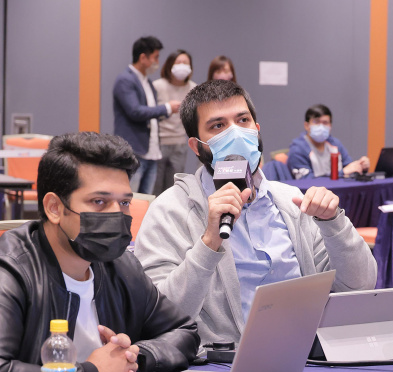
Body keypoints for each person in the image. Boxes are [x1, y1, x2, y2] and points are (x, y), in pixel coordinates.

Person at [134, 81, 377, 344]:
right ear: (197, 146)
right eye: (218, 126)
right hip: (224, 365)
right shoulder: (170, 211)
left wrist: (334, 224)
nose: (235, 133)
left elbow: (360, 286)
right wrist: (209, 243)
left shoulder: (292, 201)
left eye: (243, 120)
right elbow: (158, 320)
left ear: (257, 130)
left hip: (307, 354)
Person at [0, 132, 200, 372]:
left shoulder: (122, 267)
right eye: (99, 202)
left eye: (124, 202)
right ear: (54, 208)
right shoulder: (10, 270)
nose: (117, 215)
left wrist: (133, 358)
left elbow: (185, 332)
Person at [113, 36, 181, 194]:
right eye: (155, 57)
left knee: (145, 203)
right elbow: (135, 111)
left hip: (151, 152)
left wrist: (166, 112)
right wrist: (166, 108)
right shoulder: (125, 80)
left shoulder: (147, 82)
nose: (157, 62)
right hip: (134, 152)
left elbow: (149, 113)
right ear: (143, 57)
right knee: (130, 199)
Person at [152, 49, 198, 195]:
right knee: (155, 187)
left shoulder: (193, 87)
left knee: (174, 189)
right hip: (159, 143)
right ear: (170, 64)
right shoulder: (158, 86)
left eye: (186, 63)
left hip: (180, 144)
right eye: (178, 62)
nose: (182, 66)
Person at [287, 104, 370, 179]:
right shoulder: (298, 149)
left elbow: (349, 167)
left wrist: (361, 166)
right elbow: (306, 180)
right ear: (306, 125)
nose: (321, 126)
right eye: (316, 122)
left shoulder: (335, 144)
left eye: (325, 123)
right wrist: (342, 173)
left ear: (330, 126)